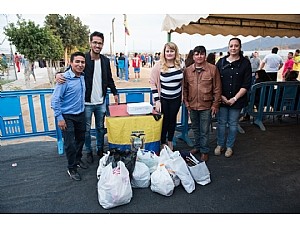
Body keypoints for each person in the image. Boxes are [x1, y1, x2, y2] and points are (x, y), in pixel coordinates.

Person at [55, 31, 119, 164]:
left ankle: (100, 149)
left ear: (102, 45)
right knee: (87, 130)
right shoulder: (82, 59)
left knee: (101, 128)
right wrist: (57, 74)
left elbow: (109, 78)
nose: (97, 45)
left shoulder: (105, 60)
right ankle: (88, 151)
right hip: (86, 103)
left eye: (100, 43)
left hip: (101, 101)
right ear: (90, 43)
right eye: (95, 42)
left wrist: (115, 92)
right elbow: (69, 71)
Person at [51, 51, 87, 181]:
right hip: (67, 117)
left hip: (80, 114)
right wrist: (59, 118)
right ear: (71, 63)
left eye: (82, 62)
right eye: (77, 61)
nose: (80, 64)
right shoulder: (64, 79)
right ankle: (71, 168)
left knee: (81, 139)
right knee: (70, 143)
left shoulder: (82, 76)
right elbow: (55, 100)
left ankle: (77, 160)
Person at [183, 46, 222, 162]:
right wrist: (186, 102)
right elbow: (184, 88)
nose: (199, 56)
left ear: (205, 55)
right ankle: (197, 147)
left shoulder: (212, 69)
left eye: (201, 54)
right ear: (193, 56)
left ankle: (204, 151)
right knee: (195, 128)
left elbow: (217, 88)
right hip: (192, 104)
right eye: (197, 54)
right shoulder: (188, 70)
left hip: (207, 105)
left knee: (204, 129)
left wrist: (215, 105)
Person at [215, 37, 252, 158]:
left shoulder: (245, 63)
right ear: (228, 47)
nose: (233, 48)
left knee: (232, 124)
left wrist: (234, 99)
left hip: (237, 100)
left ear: (240, 47)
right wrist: (221, 96)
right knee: (221, 123)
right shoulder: (221, 62)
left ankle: (229, 146)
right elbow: (215, 81)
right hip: (222, 99)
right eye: (231, 46)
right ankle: (220, 144)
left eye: (236, 46)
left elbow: (246, 84)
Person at [150, 42, 183, 151]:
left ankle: (170, 140)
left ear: (175, 52)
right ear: (164, 52)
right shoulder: (159, 65)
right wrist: (157, 101)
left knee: (172, 120)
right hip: (164, 99)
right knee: (164, 121)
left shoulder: (180, 64)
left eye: (172, 51)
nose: (169, 53)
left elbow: (184, 82)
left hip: (176, 98)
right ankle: (162, 141)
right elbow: (152, 82)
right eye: (167, 51)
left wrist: (183, 96)